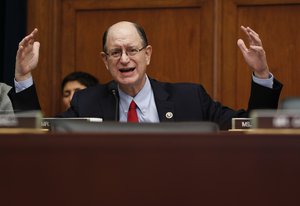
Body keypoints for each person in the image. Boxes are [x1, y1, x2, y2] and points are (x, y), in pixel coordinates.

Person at [10, 21, 282, 130]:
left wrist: (260, 74)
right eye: (115, 52)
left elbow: (250, 127)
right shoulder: (87, 101)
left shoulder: (190, 98)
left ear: (148, 54)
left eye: (132, 50)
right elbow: (38, 135)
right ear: (105, 61)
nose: (125, 59)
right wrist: (23, 76)